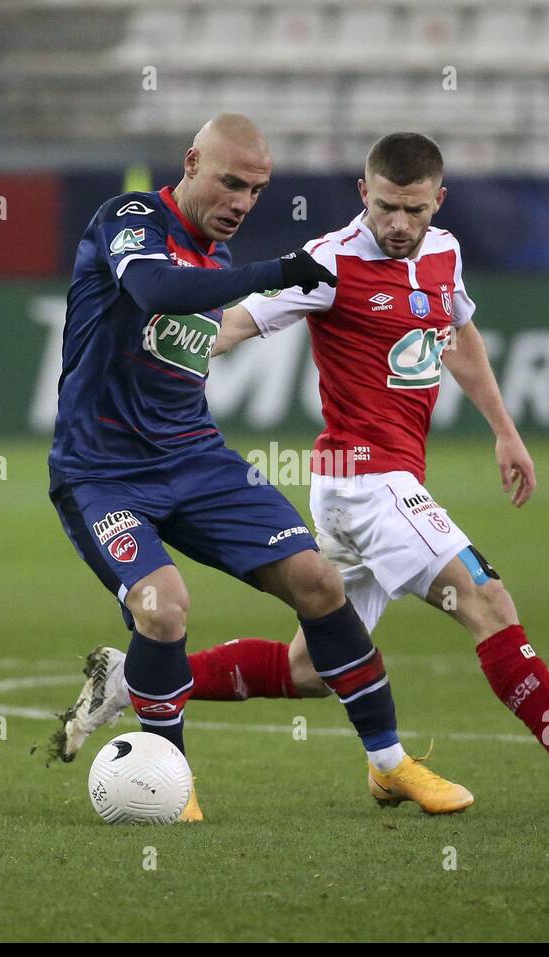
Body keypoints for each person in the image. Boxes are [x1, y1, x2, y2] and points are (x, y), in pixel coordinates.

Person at [67, 132, 549, 812]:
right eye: (387, 207)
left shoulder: (445, 254)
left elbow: (458, 331)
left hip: (376, 485)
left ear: (438, 203)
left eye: (415, 211)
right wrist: (164, 352)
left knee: (312, 668)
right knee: (487, 602)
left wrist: (505, 431)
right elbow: (231, 323)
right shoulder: (328, 261)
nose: (399, 225)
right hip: (366, 483)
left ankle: (128, 681)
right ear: (364, 194)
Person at [49, 114, 472, 821]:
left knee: (319, 582)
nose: (242, 202)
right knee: (163, 607)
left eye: (256, 189)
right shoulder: (129, 220)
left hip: (196, 459)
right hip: (101, 473)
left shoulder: (216, 262)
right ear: (191, 164)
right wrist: (278, 272)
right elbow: (154, 292)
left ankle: (391, 764)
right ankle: (170, 781)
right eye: (230, 182)